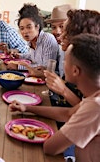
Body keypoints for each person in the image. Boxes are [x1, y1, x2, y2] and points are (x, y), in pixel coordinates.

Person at [9, 34, 100, 162]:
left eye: (66, 60)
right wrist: (27, 108)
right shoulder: (95, 95)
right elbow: (68, 113)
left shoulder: (95, 106)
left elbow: (50, 147)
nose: (62, 63)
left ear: (75, 71)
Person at [7, 3, 59, 78]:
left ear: (37, 27)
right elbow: (33, 57)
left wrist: (18, 66)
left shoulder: (47, 39)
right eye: (22, 28)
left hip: (48, 81)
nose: (25, 32)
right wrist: (19, 56)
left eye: (29, 27)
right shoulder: (31, 41)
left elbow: (45, 67)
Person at [45, 4, 72, 77]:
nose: (57, 32)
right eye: (54, 27)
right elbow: (60, 74)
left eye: (62, 26)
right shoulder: (60, 48)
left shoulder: (80, 53)